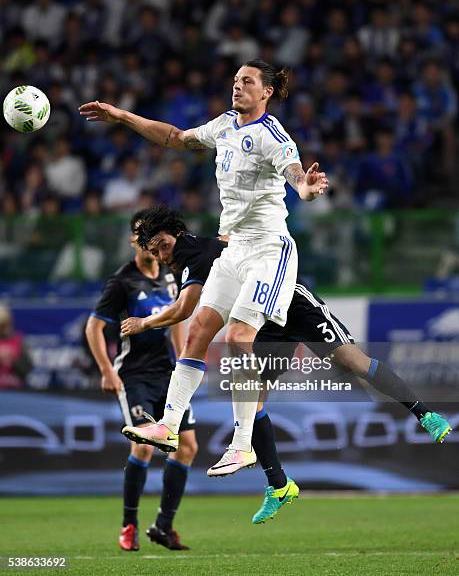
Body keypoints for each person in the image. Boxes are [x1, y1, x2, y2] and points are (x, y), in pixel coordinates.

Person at [120, 205, 451, 525]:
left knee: (353, 362)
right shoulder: (197, 254)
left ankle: (425, 414)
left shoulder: (193, 256)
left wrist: (145, 323)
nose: (163, 257)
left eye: (164, 246)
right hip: (264, 323)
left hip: (292, 303)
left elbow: (183, 310)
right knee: (255, 397)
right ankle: (278, 485)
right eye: (155, 253)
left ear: (178, 234)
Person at [79, 58, 329, 476]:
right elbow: (175, 137)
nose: (237, 87)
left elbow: (295, 173)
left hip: (269, 251)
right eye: (235, 80)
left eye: (247, 81)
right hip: (233, 249)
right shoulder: (225, 124)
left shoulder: (273, 135)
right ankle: (168, 427)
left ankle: (243, 444)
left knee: (237, 336)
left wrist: (304, 186)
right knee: (197, 330)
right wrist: (122, 116)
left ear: (266, 91)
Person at [85, 210, 197, 552]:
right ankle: (129, 525)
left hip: (168, 375)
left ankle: (163, 525)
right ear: (134, 241)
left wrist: (183, 361)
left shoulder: (169, 274)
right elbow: (94, 327)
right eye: (141, 235)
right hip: (135, 375)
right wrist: (106, 370)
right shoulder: (122, 282)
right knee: (144, 446)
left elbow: (177, 318)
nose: (148, 241)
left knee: (188, 447)